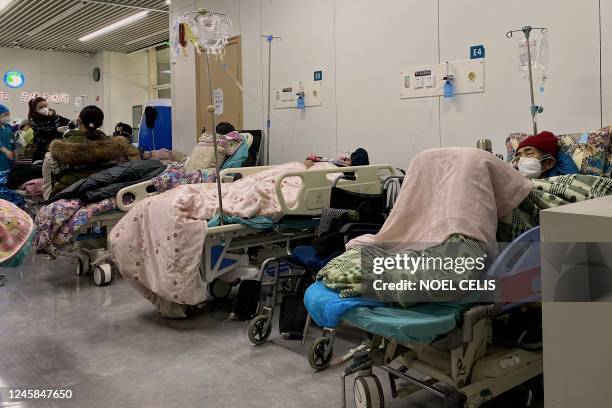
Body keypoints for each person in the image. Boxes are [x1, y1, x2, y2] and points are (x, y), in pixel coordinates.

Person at [41, 105, 140, 200]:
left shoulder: (58, 152)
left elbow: (48, 185)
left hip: (69, 194)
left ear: (78, 121)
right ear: (100, 123)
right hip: (108, 195)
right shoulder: (116, 149)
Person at [512, 131, 579, 178]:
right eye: (518, 158)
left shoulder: (564, 182)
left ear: (548, 163)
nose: (522, 160)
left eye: (529, 154)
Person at [28, 97, 66, 162]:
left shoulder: (56, 117)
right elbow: (43, 131)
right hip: (42, 152)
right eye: (40, 107)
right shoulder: (33, 120)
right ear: (35, 109)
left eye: (45, 106)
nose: (44, 108)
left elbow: (68, 123)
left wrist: (74, 122)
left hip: (56, 150)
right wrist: (56, 130)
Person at [304, 147, 370, 169]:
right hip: (319, 164)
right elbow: (326, 160)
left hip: (325, 167)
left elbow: (327, 162)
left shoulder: (344, 166)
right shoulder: (342, 162)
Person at [0, 105, 15, 171]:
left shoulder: (8, 127)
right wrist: (6, 151)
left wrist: (14, 151)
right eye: (5, 114)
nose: (8, 117)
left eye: (8, 114)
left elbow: (12, 140)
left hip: (9, 156)